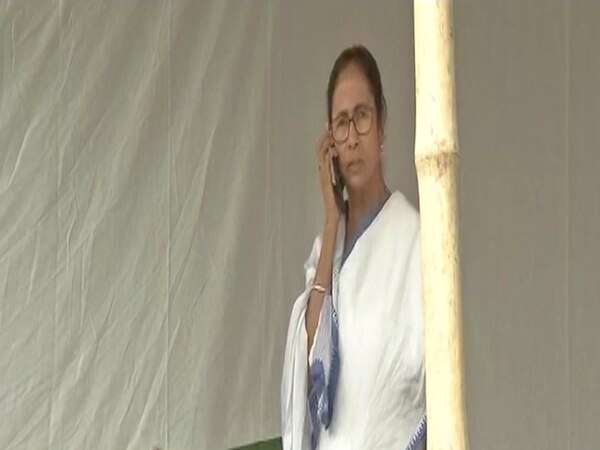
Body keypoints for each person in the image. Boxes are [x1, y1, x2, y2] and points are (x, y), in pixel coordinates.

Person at [281, 45, 426, 450]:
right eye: (341, 123)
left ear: (381, 126)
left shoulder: (414, 240)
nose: (352, 138)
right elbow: (309, 363)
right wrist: (331, 222)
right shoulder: (327, 250)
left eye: (362, 117)